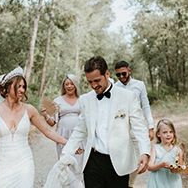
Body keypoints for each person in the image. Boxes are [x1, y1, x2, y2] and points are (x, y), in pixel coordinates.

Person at [61, 56, 151, 188]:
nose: (94, 86)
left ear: (107, 74)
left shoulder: (127, 97)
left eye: (97, 80)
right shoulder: (86, 100)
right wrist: (66, 153)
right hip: (93, 162)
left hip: (118, 163)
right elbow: (80, 130)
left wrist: (145, 152)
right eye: (90, 82)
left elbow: (139, 128)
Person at [0, 66, 67, 188]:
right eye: (19, 86)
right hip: (1, 165)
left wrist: (68, 142)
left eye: (24, 87)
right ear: (7, 88)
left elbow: (48, 132)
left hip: (24, 163)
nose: (22, 90)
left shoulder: (29, 110)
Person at [114, 60, 155, 187]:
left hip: (137, 126)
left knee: (138, 156)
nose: (121, 77)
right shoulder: (115, 87)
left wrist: (151, 126)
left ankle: (130, 183)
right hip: (121, 127)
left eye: (123, 73)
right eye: (118, 75)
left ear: (129, 71)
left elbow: (146, 106)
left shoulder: (139, 85)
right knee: (124, 156)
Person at [41, 74, 84, 187]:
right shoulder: (57, 101)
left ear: (75, 85)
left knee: (78, 162)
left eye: (71, 84)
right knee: (65, 162)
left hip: (79, 135)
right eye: (66, 84)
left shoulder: (82, 100)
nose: (69, 86)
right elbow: (52, 122)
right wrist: (45, 115)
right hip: (62, 135)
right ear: (63, 86)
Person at [147, 118, 184, 188]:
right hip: (157, 182)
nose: (168, 134)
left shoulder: (178, 150)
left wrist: (175, 169)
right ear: (158, 134)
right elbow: (149, 167)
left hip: (172, 182)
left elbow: (180, 168)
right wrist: (161, 165)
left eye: (171, 132)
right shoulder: (155, 148)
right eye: (165, 132)